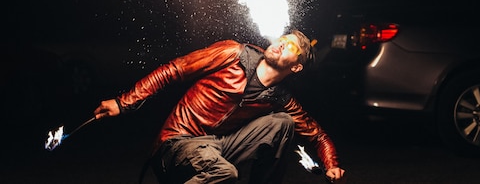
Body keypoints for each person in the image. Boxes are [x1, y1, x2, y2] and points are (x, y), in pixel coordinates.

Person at [94, 30, 346, 183]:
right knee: (225, 173)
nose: (281, 43)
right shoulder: (233, 53)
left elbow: (318, 135)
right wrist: (123, 102)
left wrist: (331, 165)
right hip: (177, 143)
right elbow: (174, 70)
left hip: (215, 147)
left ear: (296, 67)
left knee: (283, 123)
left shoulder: (278, 98)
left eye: (290, 46)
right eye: (283, 38)